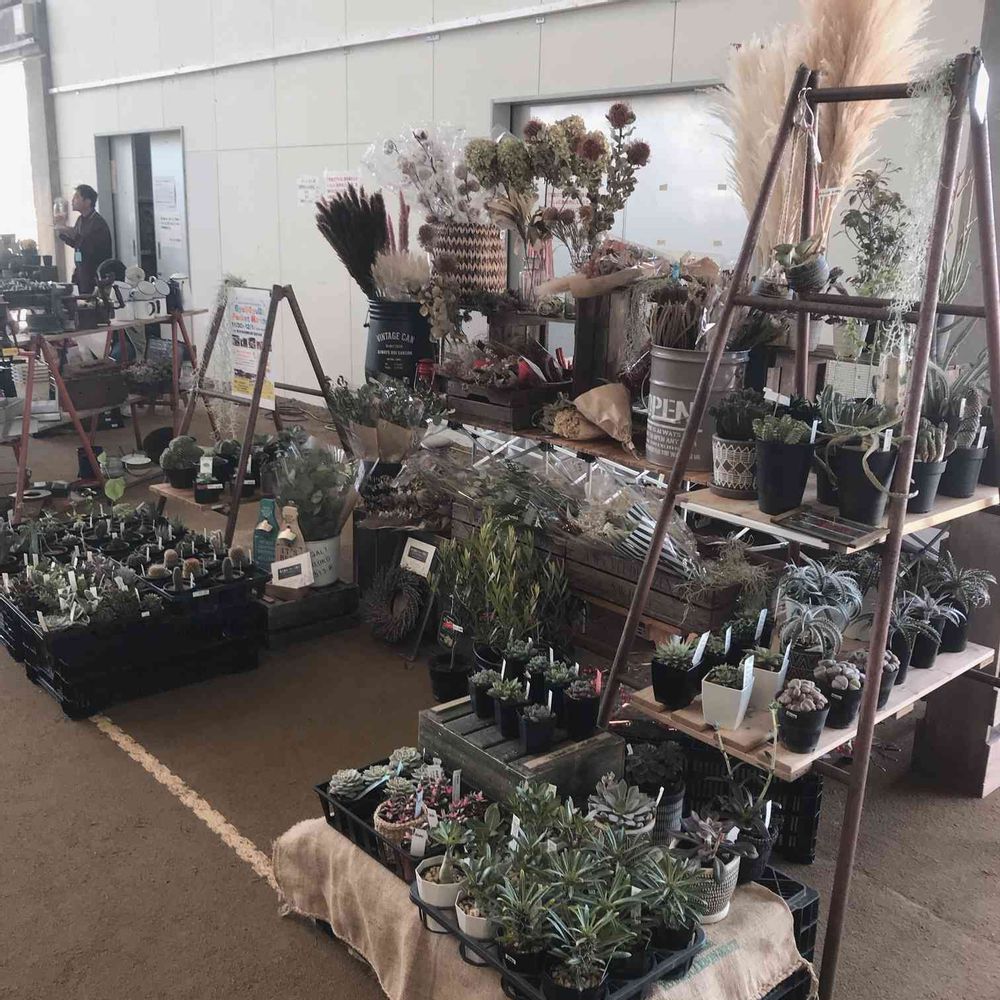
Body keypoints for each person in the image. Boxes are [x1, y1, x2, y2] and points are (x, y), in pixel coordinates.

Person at [56, 184, 112, 295]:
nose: (72, 200)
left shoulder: (98, 223)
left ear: (87, 202)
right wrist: (62, 233)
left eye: (76, 197)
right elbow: (77, 244)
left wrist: (70, 231)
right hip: (81, 272)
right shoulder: (80, 220)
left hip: (94, 274)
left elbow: (89, 247)